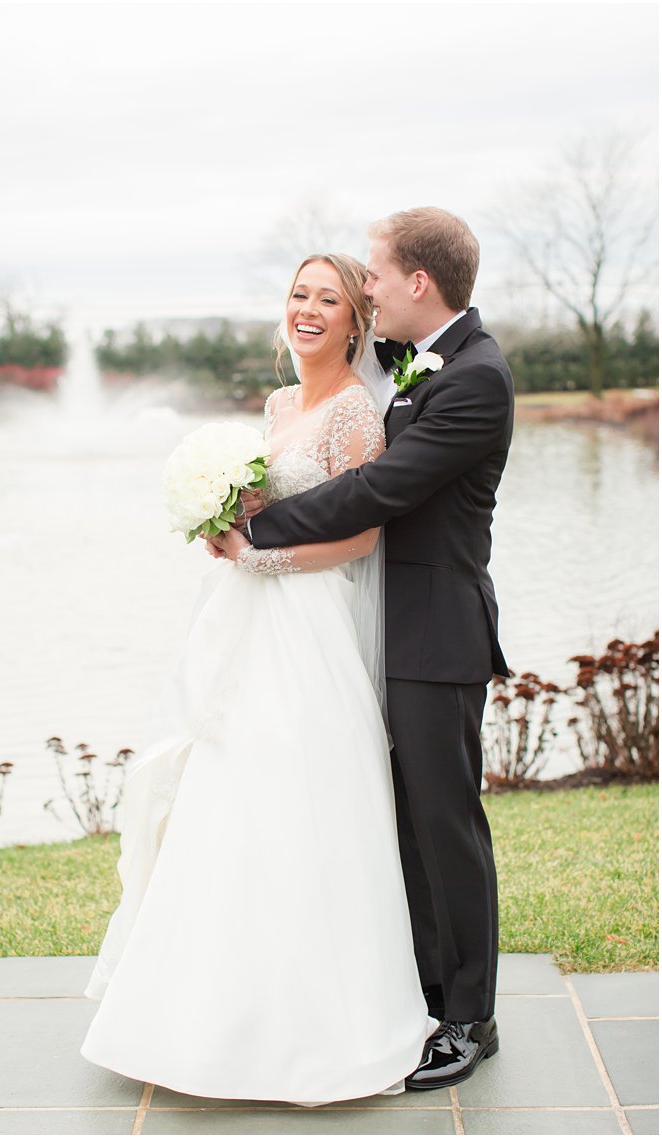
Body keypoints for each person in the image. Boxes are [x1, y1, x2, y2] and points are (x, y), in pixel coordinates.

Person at [81, 253, 436, 1104]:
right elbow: (263, 504)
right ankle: (197, 1018)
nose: (308, 311)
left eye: (329, 300)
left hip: (306, 628)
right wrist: (223, 519)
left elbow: (360, 540)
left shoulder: (357, 414)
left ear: (356, 321)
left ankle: (311, 1027)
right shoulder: (278, 404)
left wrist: (263, 557)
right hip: (240, 622)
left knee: (297, 800)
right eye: (298, 295)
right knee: (222, 795)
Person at [239, 208, 512, 1090]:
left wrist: (256, 522)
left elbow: (380, 488)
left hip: (436, 632)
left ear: (417, 283)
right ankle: (430, 991)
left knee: (446, 823)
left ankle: (471, 1018)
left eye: (374, 275)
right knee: (399, 823)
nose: (366, 288)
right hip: (381, 625)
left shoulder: (475, 379)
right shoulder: (425, 364)